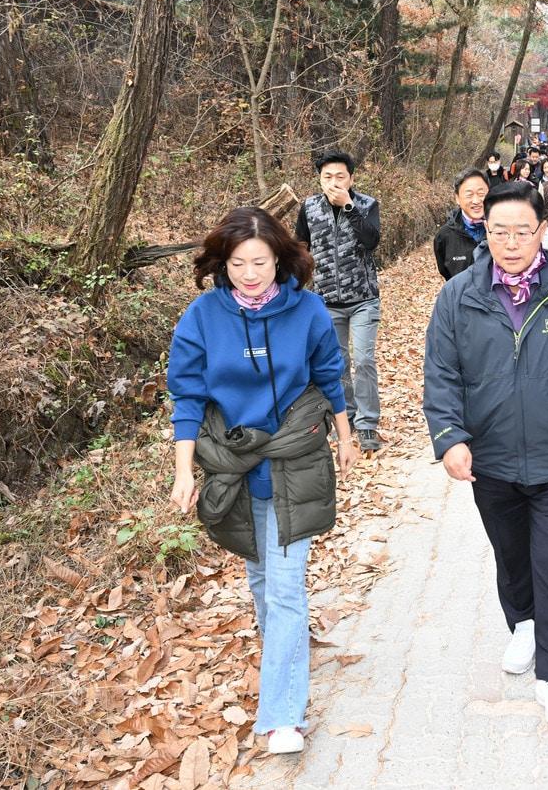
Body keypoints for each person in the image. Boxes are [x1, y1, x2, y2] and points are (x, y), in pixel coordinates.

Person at [422, 182, 548, 728]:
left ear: (542, 232)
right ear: (485, 232)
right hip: (491, 455)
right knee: (511, 556)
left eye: (522, 231)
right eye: (499, 231)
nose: (511, 242)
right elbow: (441, 373)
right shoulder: (459, 295)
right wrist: (449, 437)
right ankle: (524, 623)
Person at [168, 207, 358, 755]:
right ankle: (285, 655)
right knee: (262, 580)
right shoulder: (202, 316)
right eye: (237, 263)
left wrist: (345, 436)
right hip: (233, 461)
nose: (250, 274)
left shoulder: (309, 311)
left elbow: (328, 376)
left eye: (260, 262)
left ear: (280, 260)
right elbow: (188, 397)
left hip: (294, 457)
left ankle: (281, 716)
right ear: (222, 264)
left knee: (285, 586)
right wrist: (185, 468)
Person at [294, 151, 384, 454]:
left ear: (351, 178)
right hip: (325, 301)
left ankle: (368, 424)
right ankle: (347, 418)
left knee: (364, 360)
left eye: (340, 176)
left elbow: (371, 241)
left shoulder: (367, 205)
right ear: (319, 179)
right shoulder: (308, 208)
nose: (334, 182)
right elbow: (300, 249)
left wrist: (347, 206)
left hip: (363, 299)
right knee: (337, 364)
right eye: (327, 177)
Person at [434, 168, 489, 281]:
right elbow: (446, 273)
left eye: (481, 194)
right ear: (457, 198)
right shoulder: (445, 235)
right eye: (469, 195)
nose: (476, 200)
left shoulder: (502, 229)